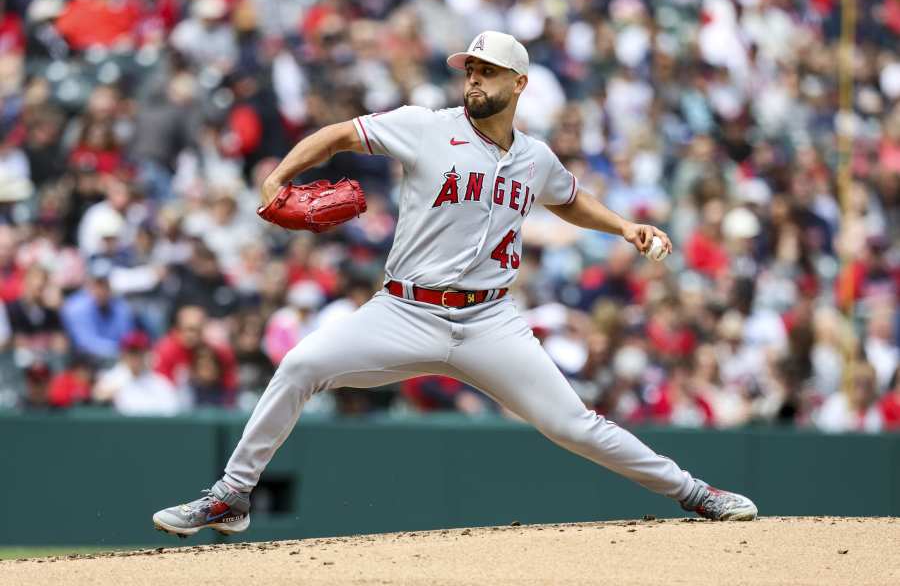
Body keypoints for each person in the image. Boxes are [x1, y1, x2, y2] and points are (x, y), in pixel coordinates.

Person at [153, 31, 757, 537]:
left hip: (490, 321)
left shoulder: (535, 158)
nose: (474, 81)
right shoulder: (423, 126)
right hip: (404, 309)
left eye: (488, 72)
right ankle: (232, 495)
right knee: (301, 365)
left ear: (519, 84)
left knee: (575, 425)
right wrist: (277, 177)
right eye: (470, 70)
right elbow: (338, 134)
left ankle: (695, 492)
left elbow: (568, 199)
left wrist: (623, 226)